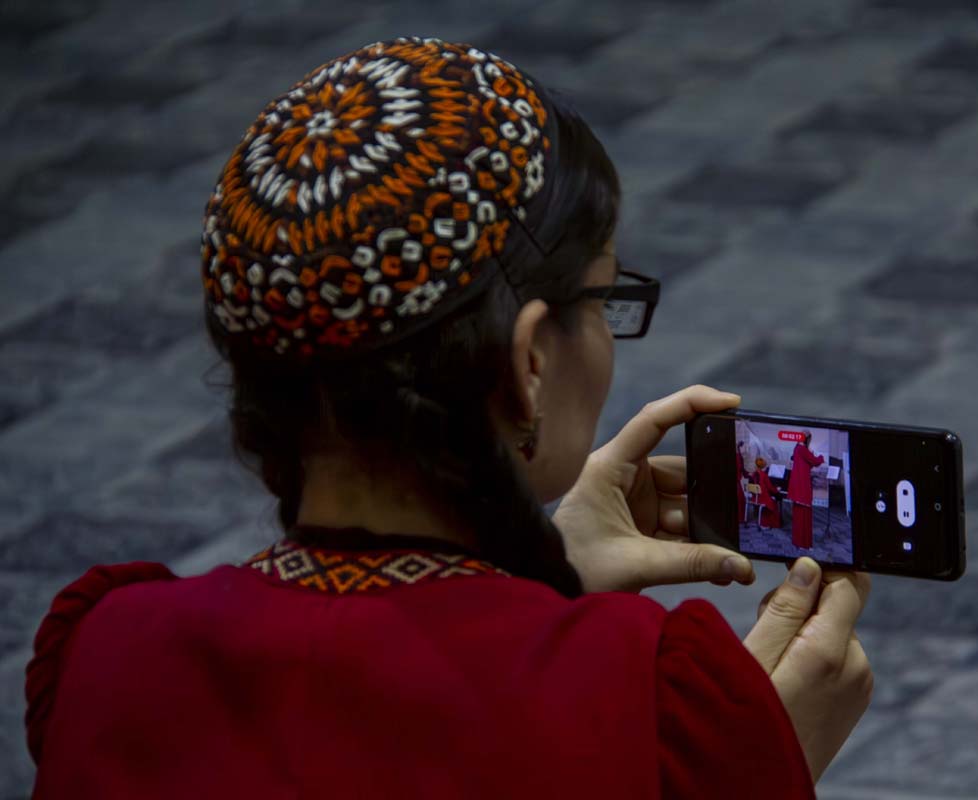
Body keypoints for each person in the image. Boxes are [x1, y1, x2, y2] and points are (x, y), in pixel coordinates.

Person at [24, 37, 872, 798]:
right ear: (529, 361)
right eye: (605, 298)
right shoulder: (655, 705)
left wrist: (540, 583)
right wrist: (757, 761)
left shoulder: (107, 651)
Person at [788, 432, 826, 549]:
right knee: (804, 515)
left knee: (798, 514)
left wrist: (812, 457)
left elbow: (807, 464)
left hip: (797, 485)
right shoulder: (803, 449)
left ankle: (798, 541)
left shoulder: (797, 449)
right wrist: (821, 457)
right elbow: (815, 461)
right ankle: (803, 542)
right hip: (802, 485)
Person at [752, 456, 783, 529]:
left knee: (772, 500)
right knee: (773, 503)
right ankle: (769, 524)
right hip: (763, 498)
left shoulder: (754, 474)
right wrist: (777, 489)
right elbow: (770, 488)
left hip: (755, 497)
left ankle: (765, 522)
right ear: (763, 466)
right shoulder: (764, 475)